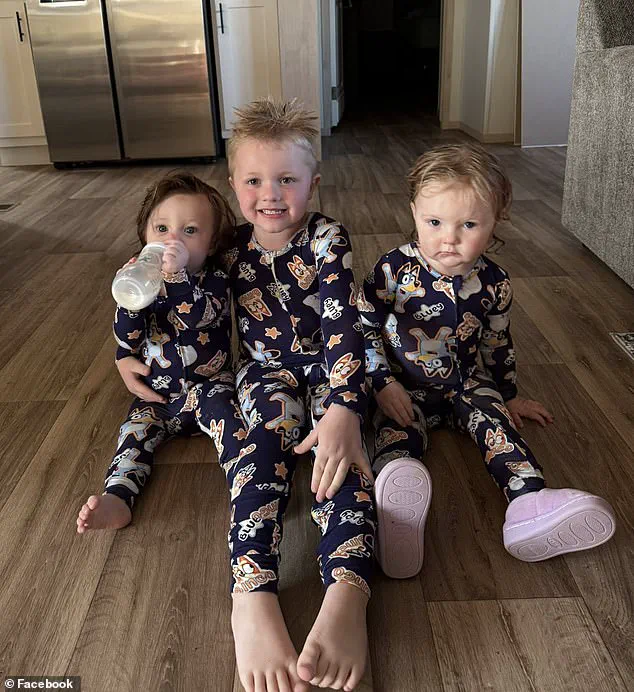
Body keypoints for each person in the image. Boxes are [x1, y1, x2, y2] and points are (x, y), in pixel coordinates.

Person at [358, 143, 617, 579]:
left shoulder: (495, 283)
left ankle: (528, 503)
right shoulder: (392, 271)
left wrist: (509, 395)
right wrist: (381, 382)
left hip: (465, 383)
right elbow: (361, 327)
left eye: (469, 224)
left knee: (497, 425)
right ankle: (395, 510)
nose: (449, 238)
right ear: (414, 212)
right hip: (402, 386)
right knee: (396, 438)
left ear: (496, 220)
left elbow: (498, 342)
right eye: (434, 222)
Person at [223, 98, 375, 692]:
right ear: (233, 183)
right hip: (264, 374)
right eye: (254, 180)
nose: (270, 194)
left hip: (333, 371)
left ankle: (348, 589)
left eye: (287, 179)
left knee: (344, 458)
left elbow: (342, 321)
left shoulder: (327, 238)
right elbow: (182, 300)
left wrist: (344, 407)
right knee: (262, 450)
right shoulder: (228, 247)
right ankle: (251, 593)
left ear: (313, 183)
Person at [76, 172, 248, 533]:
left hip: (210, 387)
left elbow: (199, 317)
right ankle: (118, 497)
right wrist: (130, 303)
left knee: (234, 428)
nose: (172, 241)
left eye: (190, 231)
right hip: (156, 395)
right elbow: (128, 339)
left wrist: (176, 279)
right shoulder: (141, 280)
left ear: (211, 244)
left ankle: (247, 491)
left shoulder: (214, 280)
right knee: (133, 436)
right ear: (144, 235)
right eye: (161, 229)